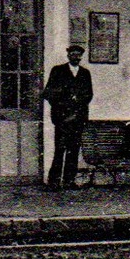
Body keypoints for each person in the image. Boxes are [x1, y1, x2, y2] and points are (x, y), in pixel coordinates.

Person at [42, 42, 93, 189]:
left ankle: (69, 180)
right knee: (60, 149)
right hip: (62, 118)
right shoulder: (58, 71)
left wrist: (78, 100)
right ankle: (54, 181)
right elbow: (48, 93)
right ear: (68, 55)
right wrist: (65, 99)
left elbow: (89, 94)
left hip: (78, 117)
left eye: (78, 55)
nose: (76, 57)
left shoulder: (85, 73)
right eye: (73, 54)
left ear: (81, 57)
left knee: (74, 150)